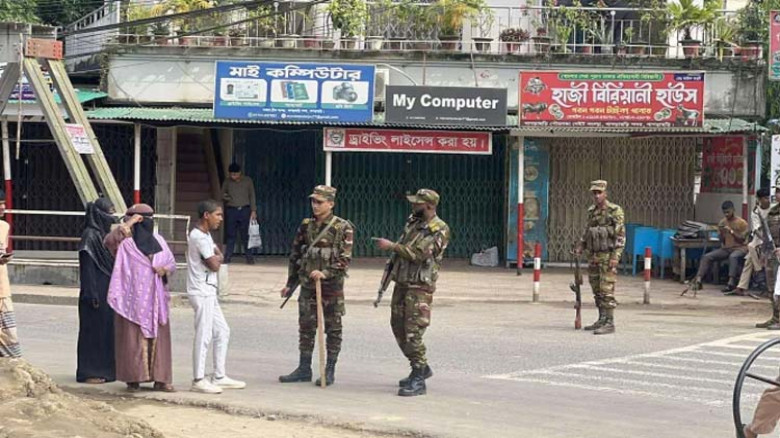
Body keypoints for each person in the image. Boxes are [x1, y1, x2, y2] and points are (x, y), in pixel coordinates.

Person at [374, 189, 450, 397]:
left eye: (418, 203)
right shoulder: (414, 223)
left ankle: (419, 376)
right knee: (397, 326)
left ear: (429, 206)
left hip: (419, 287)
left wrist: (392, 246)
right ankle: (420, 368)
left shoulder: (440, 229)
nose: (413, 205)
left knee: (412, 330)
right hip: (403, 282)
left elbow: (419, 255)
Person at [279, 185, 353, 387]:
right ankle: (304, 368)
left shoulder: (343, 227)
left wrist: (325, 273)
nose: (315, 205)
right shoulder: (306, 226)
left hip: (331, 287)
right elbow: (296, 255)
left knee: (333, 328)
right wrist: (290, 283)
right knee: (306, 326)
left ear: (331, 204)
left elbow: (344, 259)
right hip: (308, 285)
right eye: (313, 201)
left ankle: (329, 370)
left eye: (319, 202)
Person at [105, 204, 177, 392]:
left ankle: (161, 379)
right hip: (133, 300)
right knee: (133, 338)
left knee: (160, 339)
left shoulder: (159, 241)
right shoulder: (126, 245)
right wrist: (130, 222)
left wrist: (164, 269)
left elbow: (171, 262)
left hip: (156, 299)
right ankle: (133, 379)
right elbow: (109, 241)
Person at [187, 199, 245, 394]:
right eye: (217, 215)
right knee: (204, 334)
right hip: (201, 290)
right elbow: (215, 264)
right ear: (206, 215)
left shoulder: (206, 235)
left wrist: (217, 257)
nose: (221, 219)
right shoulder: (199, 237)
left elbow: (218, 254)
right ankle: (198, 379)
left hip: (209, 290)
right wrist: (217, 258)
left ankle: (219, 376)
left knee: (222, 331)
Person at [574, 180, 625, 336]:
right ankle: (602, 319)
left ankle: (609, 322)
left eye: (599, 192)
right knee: (597, 289)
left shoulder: (614, 211)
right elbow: (587, 231)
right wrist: (581, 246)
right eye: (594, 193)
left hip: (607, 256)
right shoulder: (592, 211)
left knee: (606, 290)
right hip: (594, 256)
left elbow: (620, 236)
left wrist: (615, 256)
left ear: (605, 193)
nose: (596, 196)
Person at [76, 198, 118, 384]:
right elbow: (87, 268)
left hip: (107, 290)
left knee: (106, 331)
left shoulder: (103, 235)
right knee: (92, 333)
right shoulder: (90, 236)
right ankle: (89, 372)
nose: (112, 217)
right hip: (94, 293)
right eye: (109, 212)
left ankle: (106, 370)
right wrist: (91, 294)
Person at [691, 201, 748, 291]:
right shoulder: (722, 222)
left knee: (733, 257)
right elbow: (721, 240)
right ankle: (698, 280)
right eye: (724, 213)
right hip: (726, 248)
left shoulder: (741, 223)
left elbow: (743, 239)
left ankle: (731, 282)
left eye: (728, 212)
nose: (726, 214)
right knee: (707, 257)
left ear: (733, 210)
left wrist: (731, 232)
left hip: (740, 248)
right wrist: (721, 233)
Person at [733, 188, 773, 298]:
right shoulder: (756, 211)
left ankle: (743, 286)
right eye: (765, 198)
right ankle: (759, 272)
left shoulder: (773, 209)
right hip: (760, 238)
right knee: (751, 247)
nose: (767, 200)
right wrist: (764, 240)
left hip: (773, 236)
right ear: (759, 199)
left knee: (749, 259)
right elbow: (756, 230)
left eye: (768, 197)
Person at [221, 163, 257, 265]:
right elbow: (222, 194)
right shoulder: (227, 182)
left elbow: (252, 196)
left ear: (240, 173)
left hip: (245, 210)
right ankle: (228, 257)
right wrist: (228, 198)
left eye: (235, 174)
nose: (233, 176)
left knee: (246, 235)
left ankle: (249, 257)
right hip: (231, 210)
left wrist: (253, 210)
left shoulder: (248, 181)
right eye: (231, 174)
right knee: (230, 235)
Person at [756, 201, 780, 330]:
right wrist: (764, 252)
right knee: (772, 287)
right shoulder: (772, 212)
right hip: (772, 252)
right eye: (777, 192)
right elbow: (767, 234)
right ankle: (776, 317)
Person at [0, 190, 18, 358]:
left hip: (2, 286)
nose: (3, 207)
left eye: (3, 204)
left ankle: (13, 361)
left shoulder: (4, 227)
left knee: (9, 331)